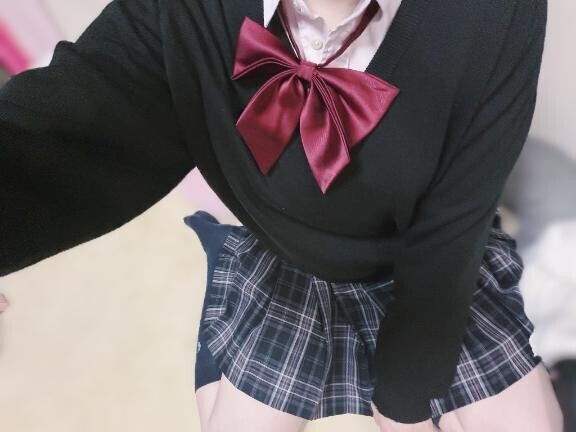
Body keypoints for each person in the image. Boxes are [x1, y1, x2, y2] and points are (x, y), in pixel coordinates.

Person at [0, 0, 563, 430]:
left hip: (424, 262)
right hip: (289, 264)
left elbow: (457, 221)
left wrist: (404, 402)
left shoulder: (497, 15)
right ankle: (227, 301)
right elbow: (69, 122)